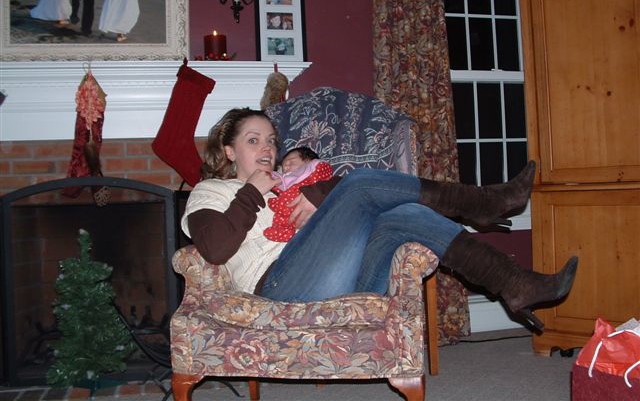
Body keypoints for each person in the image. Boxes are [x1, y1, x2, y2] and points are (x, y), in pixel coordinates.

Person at [182, 108, 578, 331]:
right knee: (359, 185)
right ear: (229, 151)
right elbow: (215, 249)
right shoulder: (209, 192)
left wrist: (317, 199)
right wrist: (251, 191)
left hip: (340, 280)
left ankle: (513, 283)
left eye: (271, 140)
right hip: (280, 292)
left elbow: (345, 197)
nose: (267, 148)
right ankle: (482, 202)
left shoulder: (287, 184)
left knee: (405, 213)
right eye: (253, 140)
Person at [265, 147, 333, 242]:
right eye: (283, 166)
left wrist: (319, 168)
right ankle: (283, 230)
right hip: (289, 202)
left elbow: (323, 169)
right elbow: (275, 180)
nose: (285, 167)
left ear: (307, 160)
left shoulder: (311, 166)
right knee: (282, 210)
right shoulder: (284, 177)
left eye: (290, 162)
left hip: (307, 190)